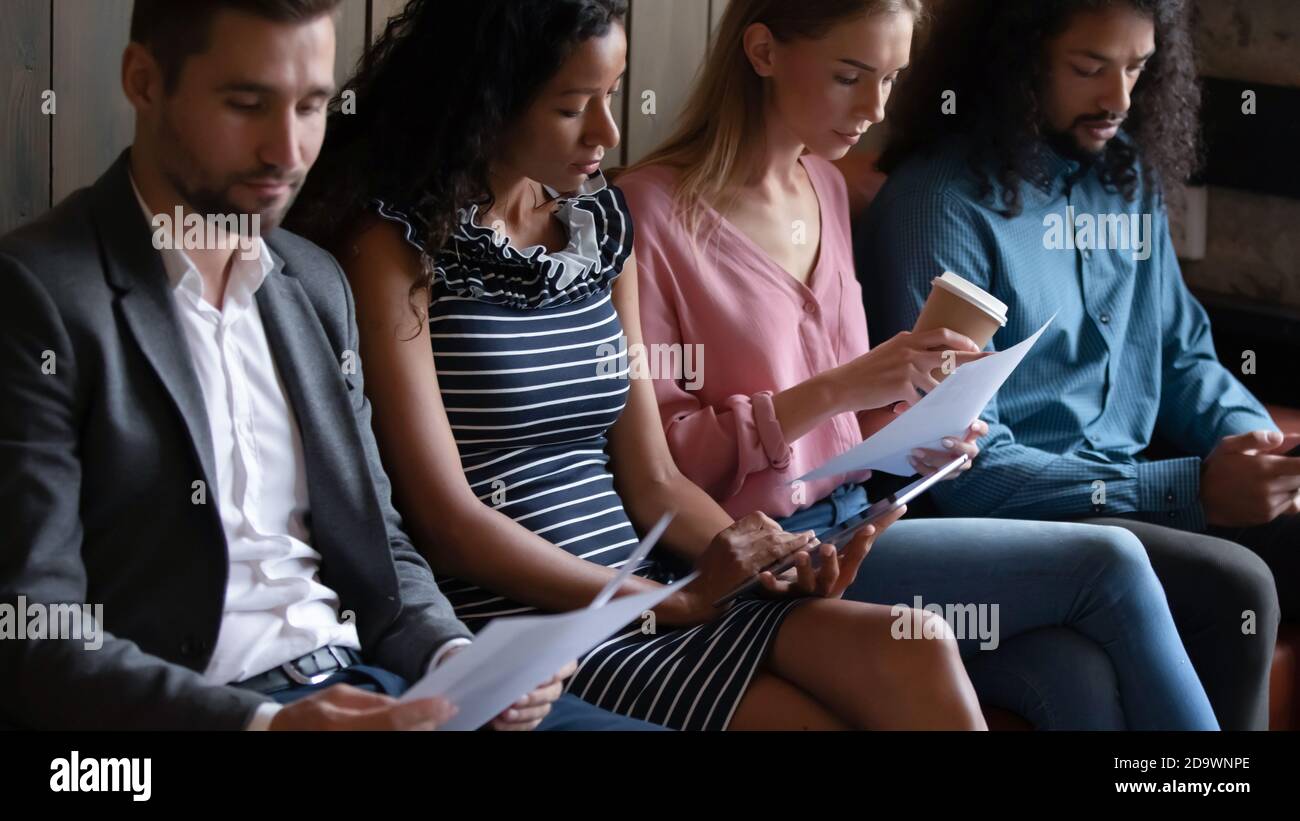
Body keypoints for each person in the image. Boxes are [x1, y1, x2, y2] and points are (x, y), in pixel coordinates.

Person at [289, 0, 986, 731]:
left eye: (611, 97)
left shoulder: (597, 228)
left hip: (647, 582)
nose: (607, 133)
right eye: (571, 107)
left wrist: (760, 552)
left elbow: (652, 478)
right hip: (537, 620)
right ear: (486, 101)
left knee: (922, 646)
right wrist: (662, 601)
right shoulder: (394, 248)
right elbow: (446, 520)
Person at [0, 0, 654, 732]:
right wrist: (268, 727)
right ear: (144, 81)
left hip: (377, 684)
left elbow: (385, 549)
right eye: (247, 104)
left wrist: (457, 660)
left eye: (311, 105)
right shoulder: (39, 296)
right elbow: (35, 630)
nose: (287, 150)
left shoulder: (313, 283)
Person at [859, 0, 1290, 729]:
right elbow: (971, 472)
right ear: (1017, 64)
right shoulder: (940, 207)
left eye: (1137, 68)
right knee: (1235, 587)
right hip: (1018, 517)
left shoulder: (1127, 180)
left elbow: (1182, 356)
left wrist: (1262, 449)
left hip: (1132, 488)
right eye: (1089, 68)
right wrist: (1193, 487)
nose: (1119, 98)